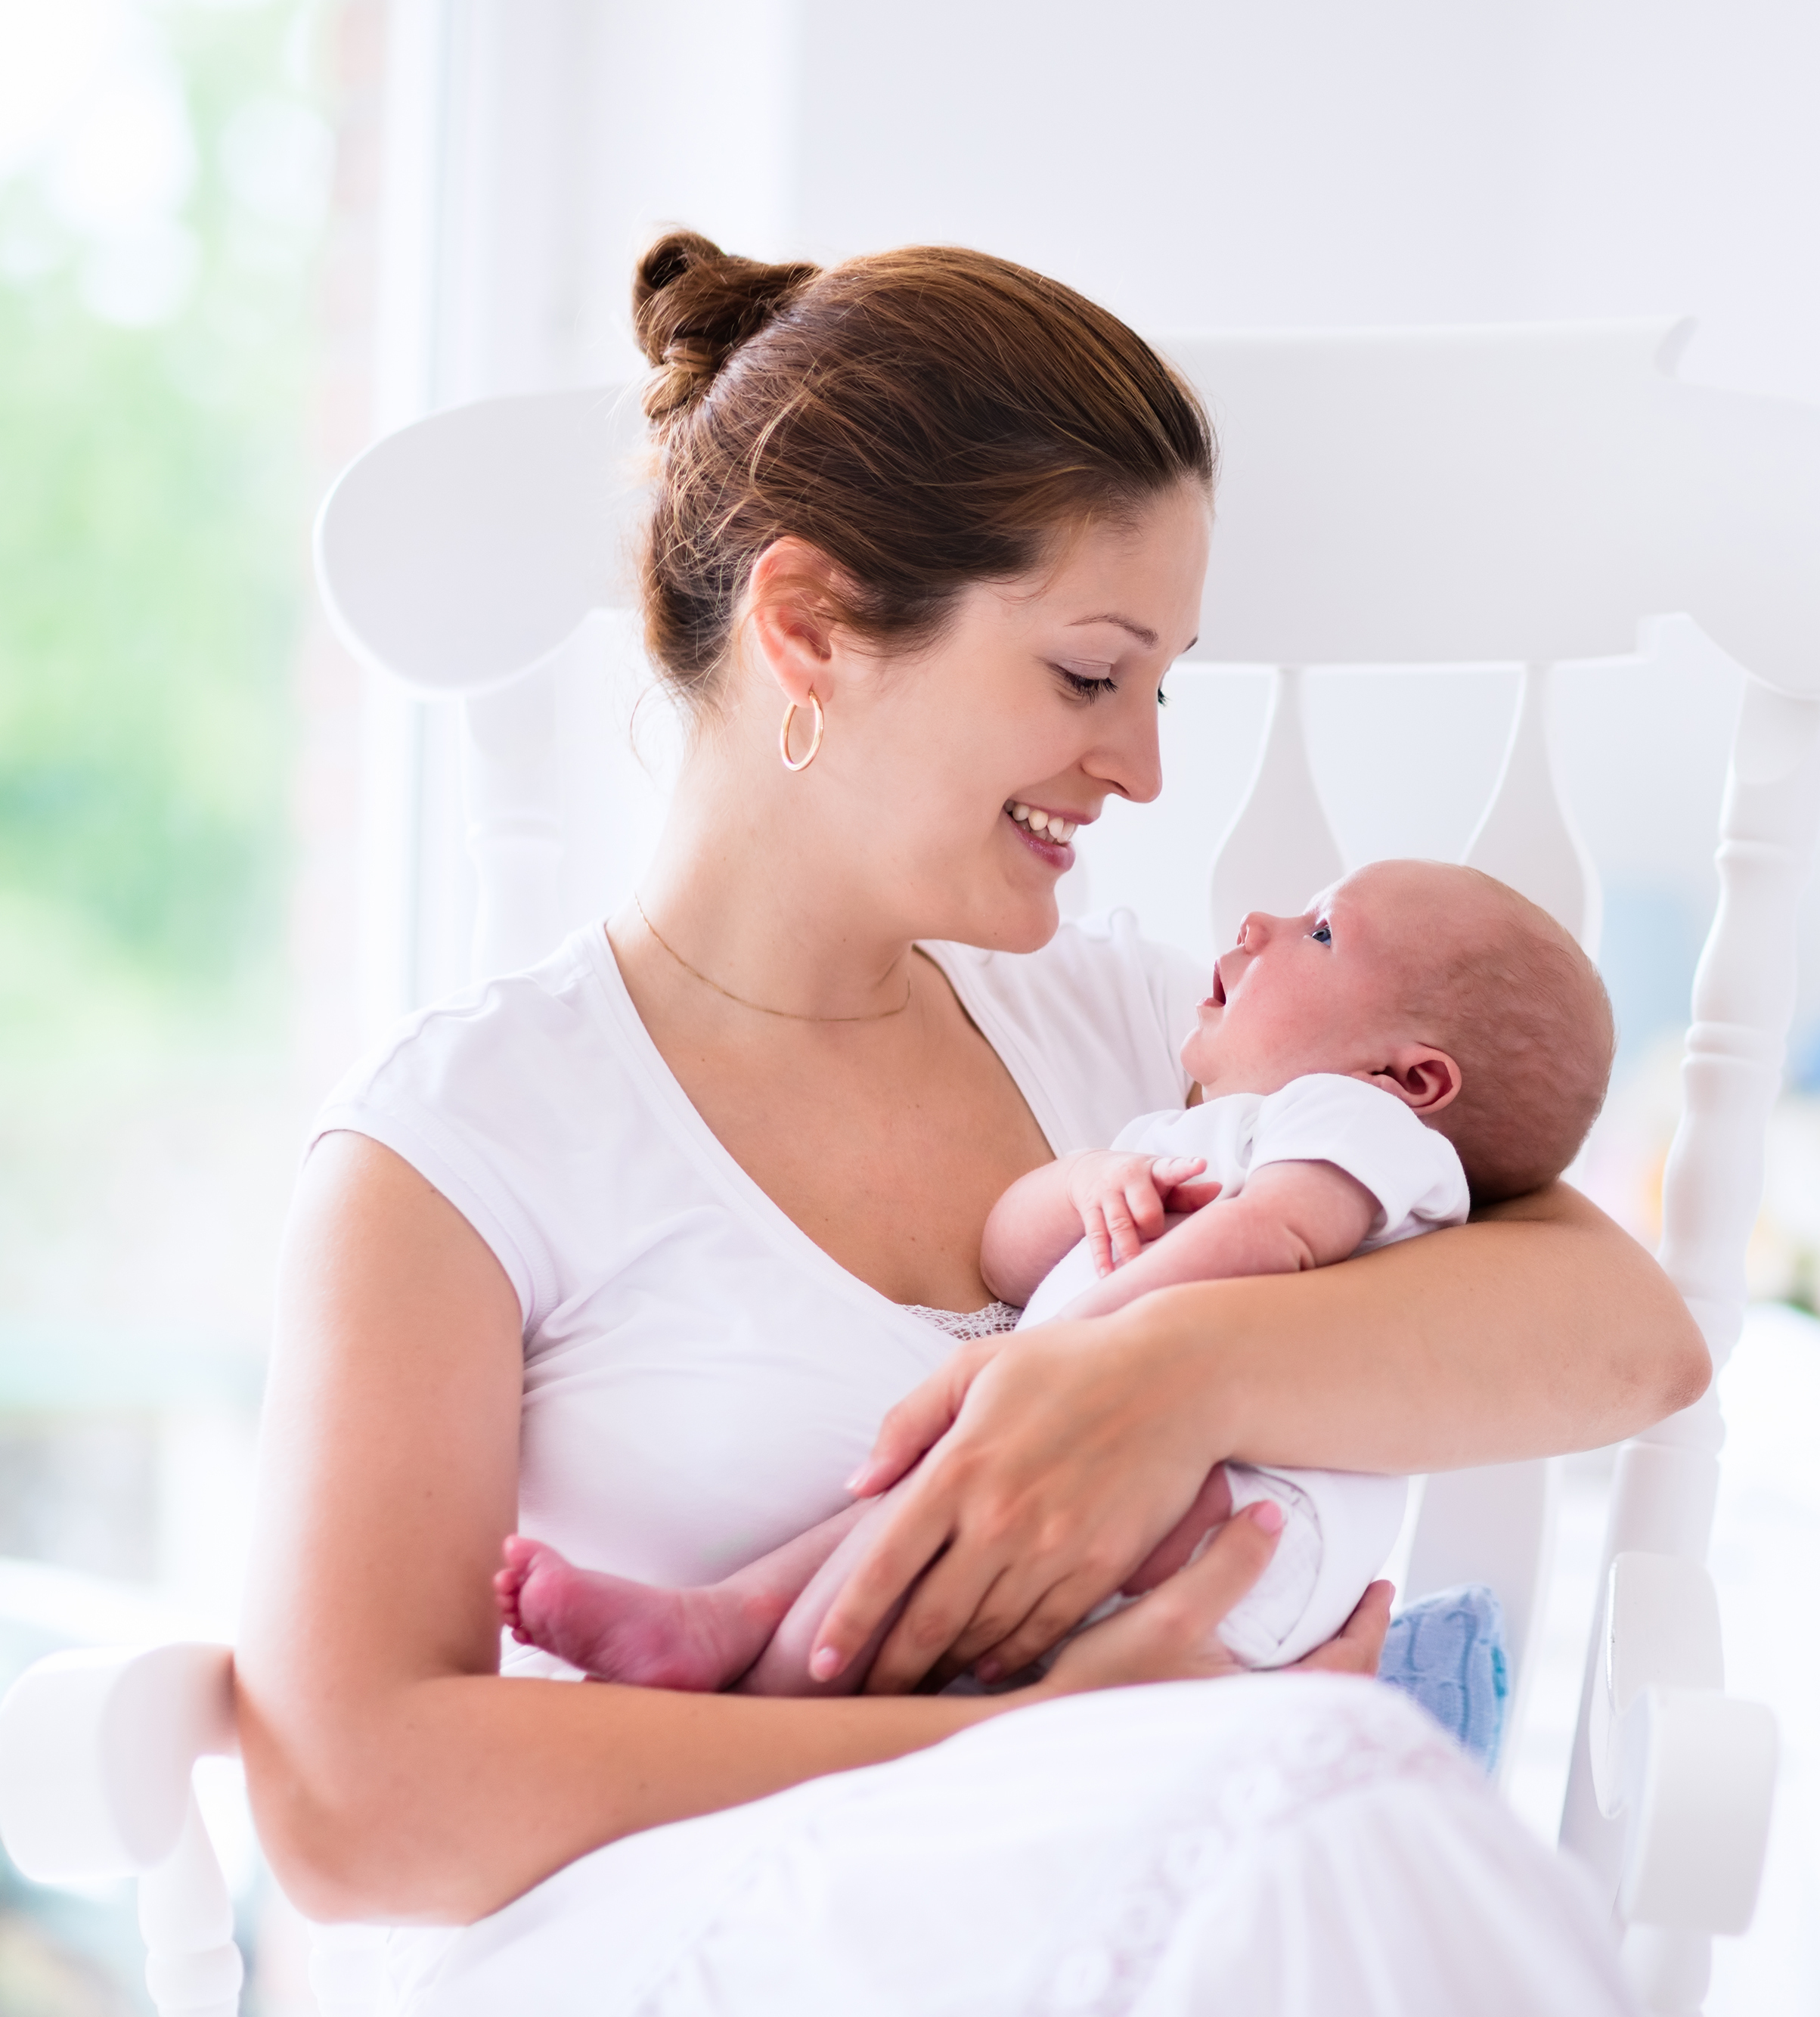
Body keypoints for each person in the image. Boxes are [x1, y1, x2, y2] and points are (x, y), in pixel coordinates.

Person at [234, 231, 1704, 2015]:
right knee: (1330, 1808)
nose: (1144, 766)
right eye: (1091, 675)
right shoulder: (462, 1145)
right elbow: (354, 1807)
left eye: (1161, 689)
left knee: (1326, 1824)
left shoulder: (1144, 1033)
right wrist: (1027, 1739)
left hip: (1146, 1909)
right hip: (677, 1939)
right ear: (810, 627)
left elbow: (1625, 1336)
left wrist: (1163, 1379)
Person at [491, 859, 1613, 1697]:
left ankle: (743, 1647)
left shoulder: (1359, 1131)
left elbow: (1276, 1243)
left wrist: (1062, 1353)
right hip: (1207, 1523)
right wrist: (1084, 1184)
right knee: (932, 1513)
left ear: (1410, 1074)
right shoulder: (1215, 1131)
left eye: (1322, 933)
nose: (1261, 922)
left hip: (1243, 1519)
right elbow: (1007, 1255)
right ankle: (730, 1633)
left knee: (944, 1500)